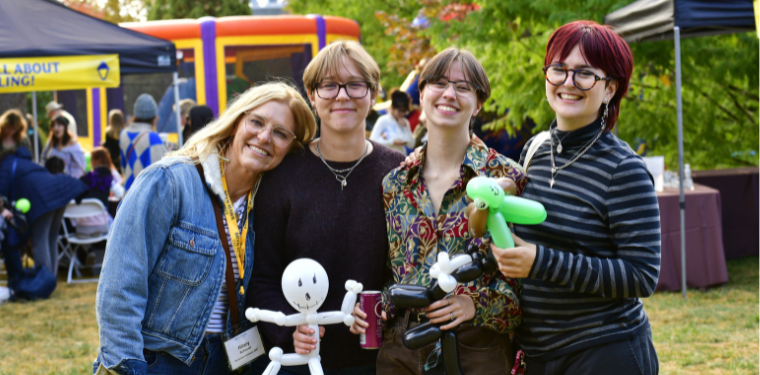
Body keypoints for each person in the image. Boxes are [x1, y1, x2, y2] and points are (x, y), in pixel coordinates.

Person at [94, 82, 316, 375]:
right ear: (237, 121)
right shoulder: (170, 182)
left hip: (227, 361)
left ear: (291, 148)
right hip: (162, 362)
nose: (264, 137)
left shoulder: (266, 205)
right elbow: (120, 288)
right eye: (257, 122)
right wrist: (126, 366)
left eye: (280, 133)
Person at [492, 20, 660, 374]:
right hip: (539, 354)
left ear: (610, 88)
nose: (568, 83)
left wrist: (540, 262)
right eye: (558, 70)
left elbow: (642, 275)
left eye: (585, 74)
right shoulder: (535, 150)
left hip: (603, 352)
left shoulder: (623, 168)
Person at [352, 48, 527, 374]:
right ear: (422, 92)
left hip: (477, 349)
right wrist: (378, 307)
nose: (449, 94)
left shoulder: (508, 179)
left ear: (479, 103)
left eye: (463, 87)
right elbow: (391, 272)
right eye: (439, 83)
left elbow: (525, 283)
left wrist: (474, 304)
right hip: (401, 349)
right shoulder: (394, 182)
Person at [248, 40, 405, 374]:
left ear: (374, 94)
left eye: (355, 85)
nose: (342, 96)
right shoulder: (284, 173)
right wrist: (288, 328)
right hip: (298, 362)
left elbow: (409, 268)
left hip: (378, 361)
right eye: (329, 85)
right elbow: (262, 277)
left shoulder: (398, 171)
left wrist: (388, 304)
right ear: (312, 95)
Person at [0, 147, 88, 277]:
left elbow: (1, 189)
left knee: (40, 239)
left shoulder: (6, 164)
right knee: (51, 237)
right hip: (61, 191)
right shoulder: (28, 163)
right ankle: (51, 277)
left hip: (44, 198)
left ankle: (44, 280)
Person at [119, 94, 167, 190]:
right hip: (145, 197)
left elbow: (123, 167)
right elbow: (160, 175)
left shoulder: (123, 134)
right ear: (154, 115)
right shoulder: (153, 138)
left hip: (128, 193)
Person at [74, 148, 120, 239]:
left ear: (97, 160)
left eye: (92, 159)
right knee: (114, 222)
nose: (90, 162)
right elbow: (120, 193)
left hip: (82, 228)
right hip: (102, 226)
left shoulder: (84, 178)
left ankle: (89, 251)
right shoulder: (109, 176)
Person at [369, 89, 415, 154]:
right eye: (400, 111)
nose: (402, 114)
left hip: (401, 159)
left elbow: (412, 144)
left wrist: (405, 127)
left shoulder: (405, 122)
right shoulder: (383, 120)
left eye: (404, 111)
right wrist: (392, 142)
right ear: (393, 108)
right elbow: (372, 141)